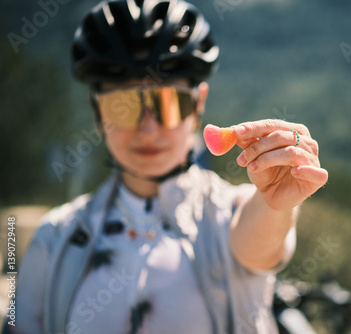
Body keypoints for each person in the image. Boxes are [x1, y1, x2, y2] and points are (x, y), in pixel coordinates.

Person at [10, 0, 328, 333]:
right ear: (96, 110)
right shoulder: (54, 237)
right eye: (123, 106)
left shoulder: (228, 211)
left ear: (198, 104)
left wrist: (273, 203)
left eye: (170, 103)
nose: (148, 129)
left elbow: (258, 248)